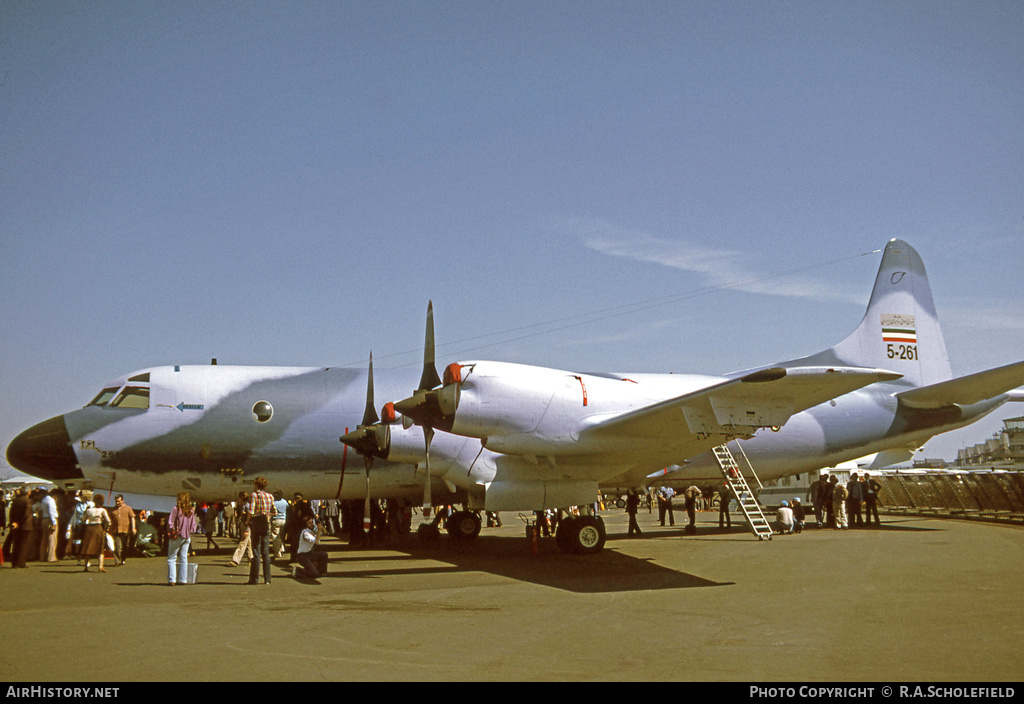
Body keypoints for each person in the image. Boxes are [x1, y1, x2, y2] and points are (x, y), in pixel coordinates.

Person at [246, 477, 276, 585]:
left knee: (256, 551)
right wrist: (267, 515)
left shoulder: (255, 495)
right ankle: (267, 578)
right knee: (265, 551)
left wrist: (248, 521)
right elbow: (275, 512)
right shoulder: (270, 496)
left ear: (256, 485)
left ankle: (254, 579)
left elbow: (251, 510)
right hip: (266, 523)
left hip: (256, 523)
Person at [167, 492, 198, 585]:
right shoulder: (190, 510)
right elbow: (193, 526)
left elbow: (170, 522)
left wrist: (172, 530)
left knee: (172, 557)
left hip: (177, 535)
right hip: (187, 536)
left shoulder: (176, 509)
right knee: (183, 557)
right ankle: (182, 579)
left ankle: (172, 579)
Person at [80, 494, 111, 573]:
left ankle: (86, 566)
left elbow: (82, 520)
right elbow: (108, 521)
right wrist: (106, 528)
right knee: (100, 548)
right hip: (98, 528)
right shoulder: (102, 510)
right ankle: (100, 566)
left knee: (88, 547)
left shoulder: (89, 510)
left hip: (89, 529)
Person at [109, 494, 136, 565]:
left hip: (125, 530)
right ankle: (117, 561)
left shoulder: (128, 508)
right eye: (116, 501)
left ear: (122, 500)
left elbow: (132, 517)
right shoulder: (112, 510)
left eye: (119, 501)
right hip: (116, 530)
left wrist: (133, 527)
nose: (117, 503)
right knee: (117, 546)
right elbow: (109, 520)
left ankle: (123, 558)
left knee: (125, 546)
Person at [38, 488, 59, 563]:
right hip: (50, 520)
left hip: (44, 519)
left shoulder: (44, 500)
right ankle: (51, 557)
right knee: (52, 539)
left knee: (44, 539)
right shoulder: (51, 500)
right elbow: (51, 512)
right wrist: (54, 523)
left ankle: (42, 556)